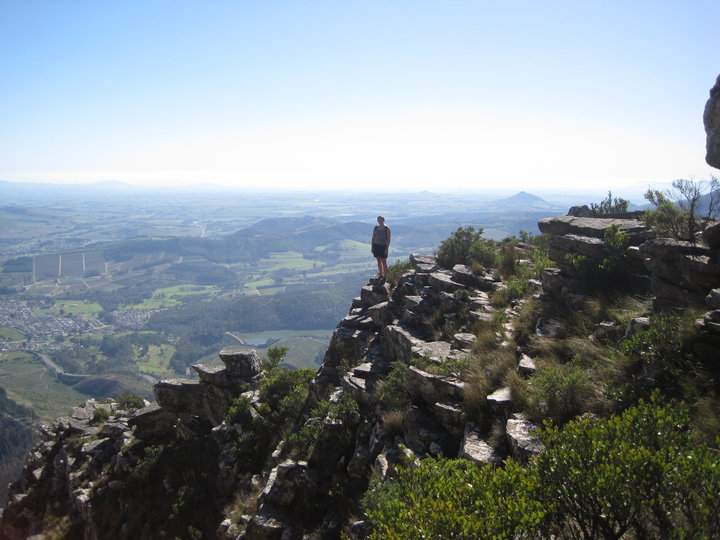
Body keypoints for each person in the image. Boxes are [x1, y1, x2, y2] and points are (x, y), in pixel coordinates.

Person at [371, 215, 391, 279]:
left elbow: (388, 240)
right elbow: (373, 237)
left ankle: (385, 276)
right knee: (378, 261)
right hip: (376, 246)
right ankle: (381, 274)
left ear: (383, 220)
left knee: (384, 262)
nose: (379, 221)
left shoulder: (387, 228)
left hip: (383, 246)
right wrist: (372, 247)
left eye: (381, 220)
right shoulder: (376, 228)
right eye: (378, 220)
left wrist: (386, 249)